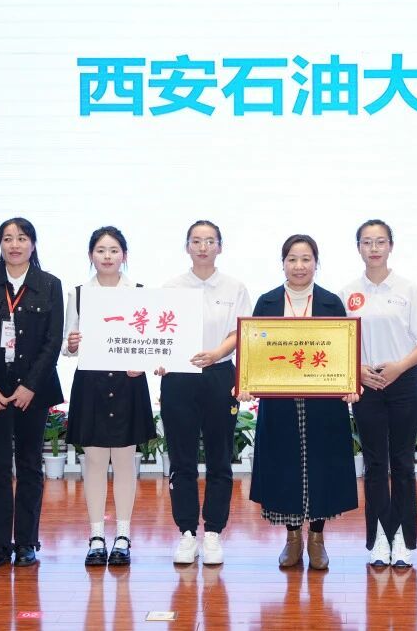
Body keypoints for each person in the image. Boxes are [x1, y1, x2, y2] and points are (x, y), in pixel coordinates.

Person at [245, 234, 359, 571]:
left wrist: (349, 383)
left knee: (322, 466)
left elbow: (343, 352)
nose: (299, 266)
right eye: (292, 259)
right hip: (280, 401)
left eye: (306, 259)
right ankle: (293, 537)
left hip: (323, 402)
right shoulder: (266, 302)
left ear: (316, 263)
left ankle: (317, 538)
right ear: (283, 263)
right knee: (284, 466)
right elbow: (254, 351)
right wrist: (248, 381)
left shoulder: (331, 302)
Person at [0, 218, 65, 568]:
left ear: (33, 244)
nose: (14, 245)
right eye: (7, 239)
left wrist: (30, 386)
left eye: (22, 238)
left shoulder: (49, 284)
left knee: (29, 465)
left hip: (32, 391)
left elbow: (53, 340)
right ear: (0, 245)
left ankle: (26, 542)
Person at [341, 219, 417, 568]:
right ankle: (379, 537)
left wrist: (399, 366)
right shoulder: (347, 293)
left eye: (380, 241)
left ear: (391, 246)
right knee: (375, 464)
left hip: (404, 382)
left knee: (402, 463)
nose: (374, 248)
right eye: (367, 242)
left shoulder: (408, 290)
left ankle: (403, 538)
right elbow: (338, 343)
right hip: (367, 385)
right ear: (358, 248)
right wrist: (357, 371)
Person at [158, 220, 252, 566]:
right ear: (187, 247)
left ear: (220, 247)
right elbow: (158, 333)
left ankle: (213, 532)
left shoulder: (234, 287)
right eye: (196, 241)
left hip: (219, 375)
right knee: (181, 459)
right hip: (179, 377)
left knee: (219, 457)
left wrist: (216, 354)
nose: (203, 247)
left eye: (210, 241)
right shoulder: (171, 287)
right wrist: (160, 359)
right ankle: (186, 532)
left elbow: (240, 331)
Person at [62, 226, 157, 567]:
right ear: (91, 255)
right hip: (92, 384)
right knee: (94, 462)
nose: (107, 256)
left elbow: (149, 341)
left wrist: (141, 362)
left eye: (114, 250)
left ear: (124, 256)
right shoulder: (78, 293)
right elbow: (67, 347)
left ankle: (123, 535)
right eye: (100, 250)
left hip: (129, 383)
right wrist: (72, 344)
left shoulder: (140, 292)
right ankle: (96, 536)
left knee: (126, 461)